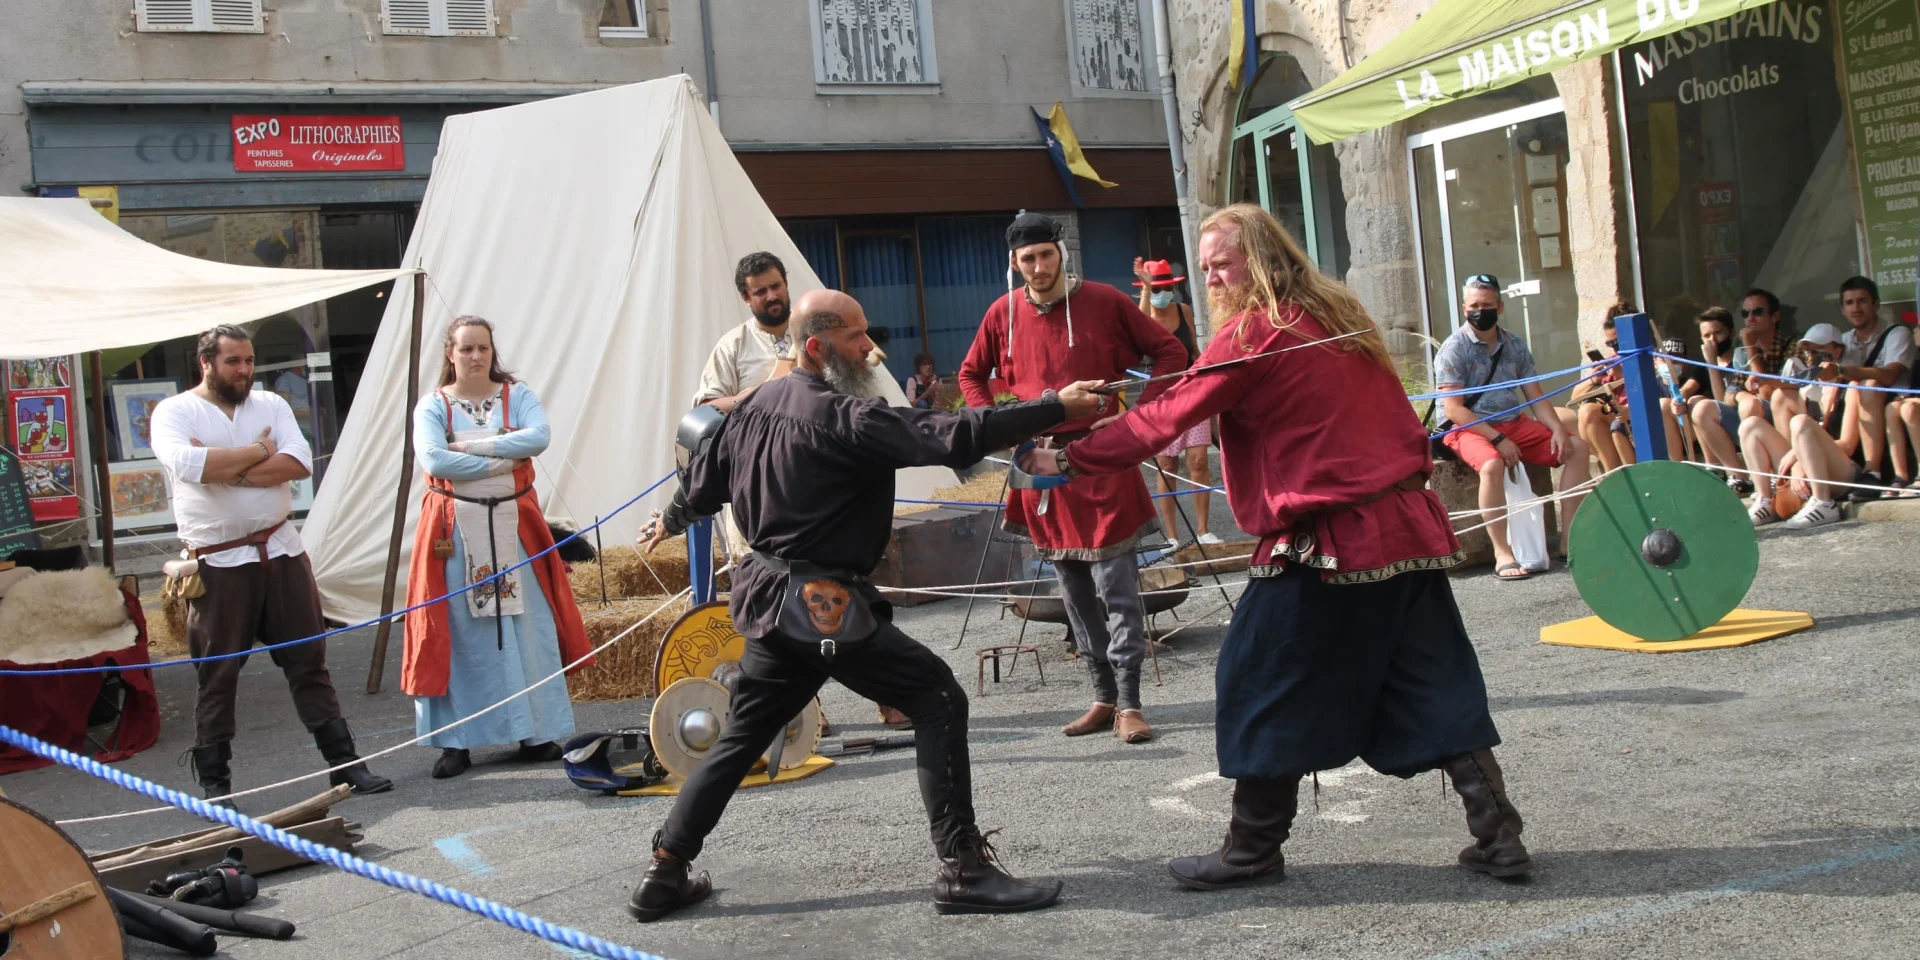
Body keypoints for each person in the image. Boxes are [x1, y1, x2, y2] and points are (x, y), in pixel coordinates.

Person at [1024, 203, 1529, 889]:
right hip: (1402, 531)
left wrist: (1070, 457)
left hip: (1326, 542)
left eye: (1221, 263)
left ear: (1260, 257)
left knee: (1258, 680)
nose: (1211, 278)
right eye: (1204, 268)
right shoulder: (1336, 313)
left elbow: (1169, 415)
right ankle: (1499, 837)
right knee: (1429, 679)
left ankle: (1252, 850)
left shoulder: (1261, 331)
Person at [630, 289, 1109, 921]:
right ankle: (964, 869)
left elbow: (702, 482)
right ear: (815, 347)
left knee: (741, 735)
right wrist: (1055, 406)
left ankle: (664, 872)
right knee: (939, 698)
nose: (871, 348)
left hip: (771, 604)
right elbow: (951, 434)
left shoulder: (750, 409)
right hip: (820, 606)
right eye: (856, 338)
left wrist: (668, 518)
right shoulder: (842, 417)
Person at [957, 212, 1186, 745]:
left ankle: (1130, 703)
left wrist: (1137, 418)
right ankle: (1103, 698)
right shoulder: (1002, 312)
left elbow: (1170, 352)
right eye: (1027, 259)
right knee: (1074, 592)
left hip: (1103, 453)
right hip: (1039, 460)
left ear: (1061, 253)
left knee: (1116, 589)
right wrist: (998, 425)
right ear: (1015, 263)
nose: (1038, 266)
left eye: (1046, 254)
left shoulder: (1105, 301)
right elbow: (972, 374)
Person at [149, 325, 392, 805]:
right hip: (218, 564)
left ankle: (346, 766)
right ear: (206, 363)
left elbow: (300, 462)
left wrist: (228, 468)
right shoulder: (175, 411)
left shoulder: (271, 405)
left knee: (309, 662)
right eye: (232, 361)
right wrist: (261, 452)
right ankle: (216, 789)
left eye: (248, 360)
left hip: (281, 552)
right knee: (217, 673)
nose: (243, 370)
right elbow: (187, 466)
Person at [402, 317, 593, 779]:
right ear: (450, 353)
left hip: (514, 527)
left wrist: (470, 448)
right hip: (455, 530)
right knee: (457, 630)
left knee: (527, 625)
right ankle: (456, 740)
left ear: (492, 351)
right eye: (466, 348)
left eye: (482, 348)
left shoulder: (517, 396)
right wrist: (506, 453)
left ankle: (535, 730)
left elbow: (539, 437)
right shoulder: (433, 406)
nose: (475, 356)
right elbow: (433, 458)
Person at [1433, 274, 1591, 581]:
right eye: (1474, 306)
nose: (1480, 311)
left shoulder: (1515, 345)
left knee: (1578, 448)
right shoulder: (1454, 348)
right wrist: (1498, 439)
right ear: (1465, 309)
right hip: (1466, 426)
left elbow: (1535, 396)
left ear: (1500, 307)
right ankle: (1502, 552)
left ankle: (1570, 539)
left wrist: (1557, 429)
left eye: (1487, 305)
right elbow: (1454, 409)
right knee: (1491, 464)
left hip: (1511, 420)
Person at [1132, 256, 1219, 547]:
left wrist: (1207, 377)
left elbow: (1194, 349)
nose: (1161, 294)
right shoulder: (1146, 317)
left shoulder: (1183, 310)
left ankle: (1204, 531)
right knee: (1166, 463)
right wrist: (1146, 289)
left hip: (1190, 390)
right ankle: (1171, 536)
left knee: (1198, 461)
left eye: (1164, 288)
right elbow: (1137, 326)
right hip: (1160, 398)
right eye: (1156, 289)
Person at [1741, 324, 1848, 526]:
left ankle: (1825, 503)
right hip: (1812, 465)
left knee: (1801, 422)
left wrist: (1799, 459)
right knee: (1750, 426)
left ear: (1837, 351)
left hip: (1841, 467)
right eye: (1807, 350)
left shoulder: (1850, 387)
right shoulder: (1808, 391)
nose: (1811, 356)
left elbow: (1849, 444)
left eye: (1817, 349)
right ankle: (1766, 500)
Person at [1830, 276, 1911, 502]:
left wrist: (1851, 372)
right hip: (1855, 409)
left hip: (1894, 403)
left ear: (1876, 305)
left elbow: (1890, 374)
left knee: (1869, 384)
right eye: (1849, 303)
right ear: (1843, 309)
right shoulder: (1842, 342)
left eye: (1862, 301)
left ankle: (1872, 471)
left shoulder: (1897, 333)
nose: (1856, 308)